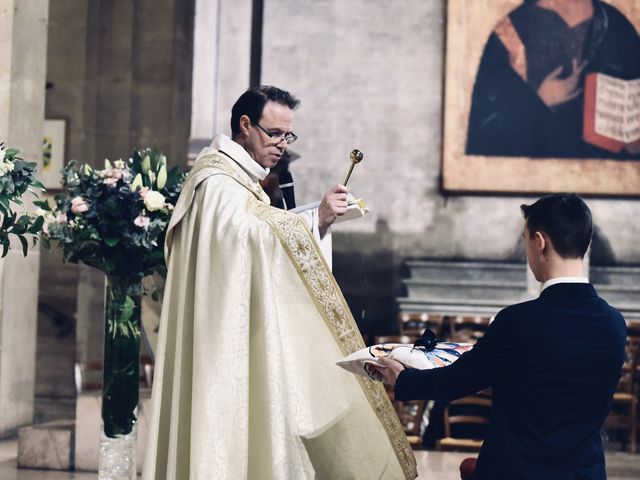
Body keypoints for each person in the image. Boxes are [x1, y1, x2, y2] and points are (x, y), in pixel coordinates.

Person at [142, 85, 417, 480]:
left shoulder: (240, 181)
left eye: (289, 136)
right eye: (275, 134)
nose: (282, 145)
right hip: (220, 344)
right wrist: (314, 220)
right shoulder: (217, 182)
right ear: (245, 125)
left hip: (236, 333)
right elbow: (244, 236)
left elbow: (255, 231)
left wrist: (311, 221)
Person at [374, 193, 627, 480]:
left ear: (540, 242)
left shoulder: (518, 321)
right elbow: (564, 388)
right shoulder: (615, 324)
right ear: (587, 243)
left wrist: (401, 378)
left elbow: (455, 382)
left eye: (525, 240)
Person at [466, 0, 640, 158]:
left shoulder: (618, 27)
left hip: (600, 179)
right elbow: (483, 131)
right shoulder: (508, 31)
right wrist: (539, 101)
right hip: (534, 178)